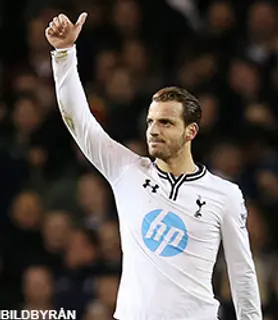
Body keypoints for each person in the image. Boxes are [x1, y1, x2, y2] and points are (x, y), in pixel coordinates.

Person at [45, 13, 262, 320]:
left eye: (166, 122)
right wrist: (64, 53)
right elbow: (80, 123)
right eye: (150, 122)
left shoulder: (224, 194)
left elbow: (242, 273)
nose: (154, 130)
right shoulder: (128, 172)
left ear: (191, 132)